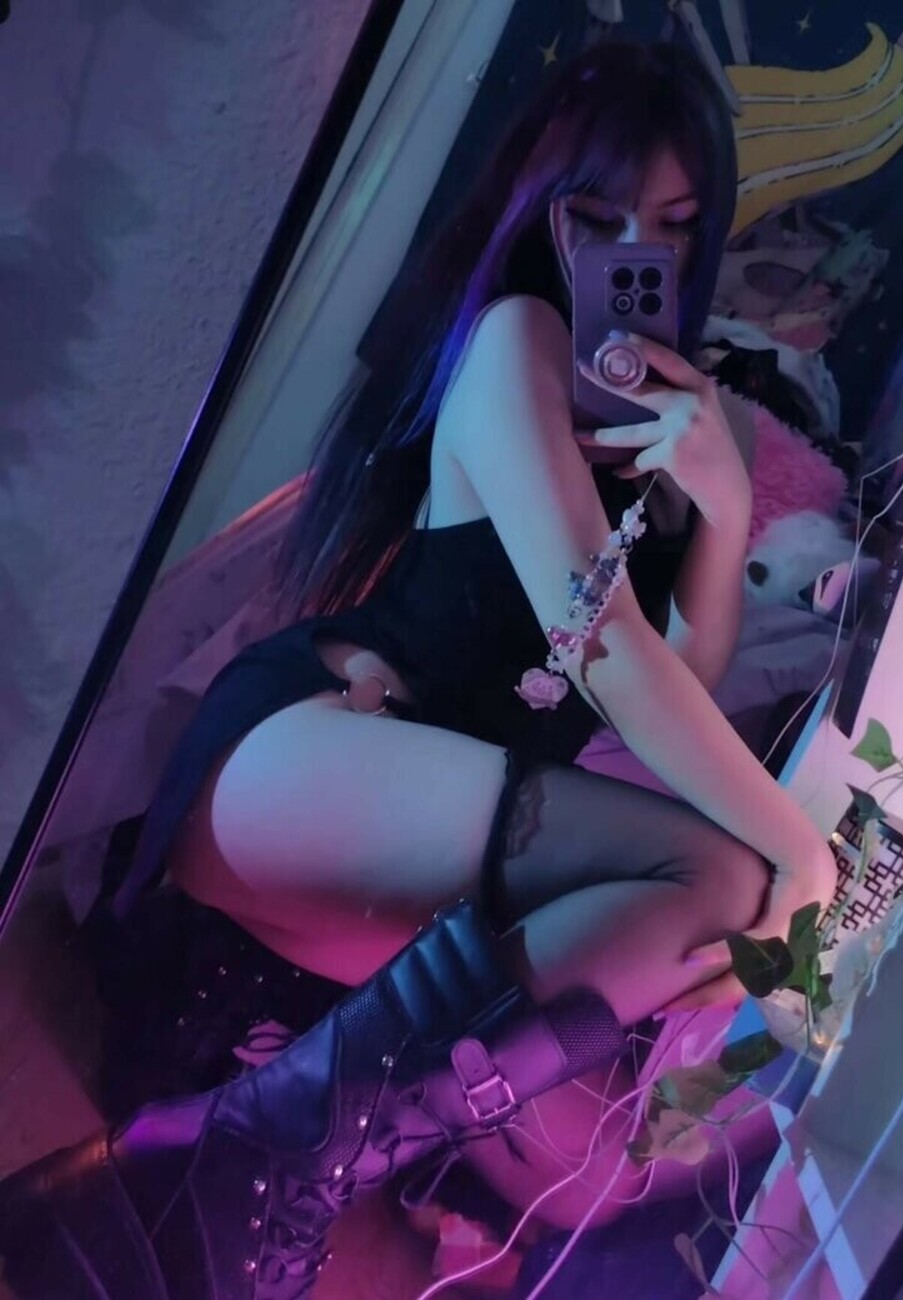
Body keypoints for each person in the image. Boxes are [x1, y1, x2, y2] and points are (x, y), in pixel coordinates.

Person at [0, 40, 836, 1299]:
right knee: (727, 880)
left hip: (434, 816)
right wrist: (799, 852)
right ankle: (242, 1161)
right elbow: (605, 653)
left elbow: (675, 671)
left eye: (672, 225)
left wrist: (718, 509)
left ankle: (253, 1160)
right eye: (598, 216)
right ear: (542, 210)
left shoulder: (679, 422)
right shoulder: (516, 339)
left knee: (630, 1110)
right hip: (316, 750)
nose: (634, 254)